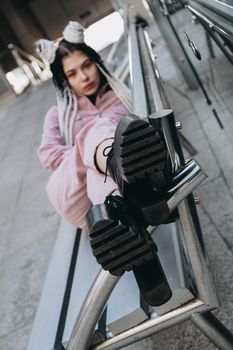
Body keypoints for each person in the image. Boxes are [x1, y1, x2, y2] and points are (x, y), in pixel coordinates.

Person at [37, 21, 172, 306]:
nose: (84, 76)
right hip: (76, 197)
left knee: (111, 170)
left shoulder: (119, 96)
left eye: (87, 65)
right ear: (64, 80)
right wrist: (87, 156)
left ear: (96, 62)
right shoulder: (57, 113)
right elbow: (48, 155)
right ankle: (111, 163)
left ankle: (150, 277)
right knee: (96, 135)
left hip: (111, 204)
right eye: (72, 73)